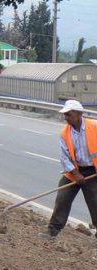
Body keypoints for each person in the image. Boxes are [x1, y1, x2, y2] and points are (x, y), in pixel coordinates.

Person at [40, 100, 97, 239]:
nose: (66, 117)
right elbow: (65, 158)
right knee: (62, 198)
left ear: (79, 114)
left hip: (93, 171)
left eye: (68, 114)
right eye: (65, 114)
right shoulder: (65, 133)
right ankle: (52, 231)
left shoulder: (94, 126)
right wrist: (76, 174)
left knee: (95, 202)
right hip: (74, 171)